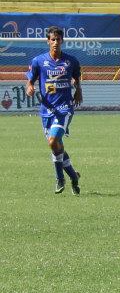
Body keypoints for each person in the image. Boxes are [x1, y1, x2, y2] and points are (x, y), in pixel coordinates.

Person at [26, 26, 83, 195]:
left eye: (58, 39)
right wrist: (29, 87)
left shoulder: (71, 61)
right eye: (53, 39)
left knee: (52, 141)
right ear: (48, 41)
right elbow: (30, 80)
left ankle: (59, 178)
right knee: (57, 146)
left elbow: (76, 77)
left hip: (64, 108)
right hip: (46, 110)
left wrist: (78, 90)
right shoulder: (38, 61)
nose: (56, 42)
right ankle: (74, 176)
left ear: (62, 41)